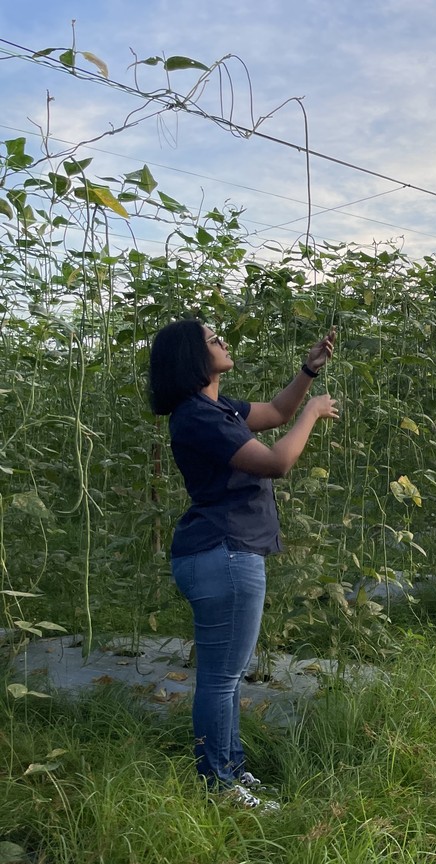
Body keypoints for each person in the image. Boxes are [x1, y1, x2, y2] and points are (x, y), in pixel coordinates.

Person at [148, 321, 339, 811]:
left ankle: (230, 769)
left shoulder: (217, 408)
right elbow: (277, 461)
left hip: (224, 554)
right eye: (213, 339)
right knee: (220, 679)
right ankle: (218, 785)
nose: (223, 343)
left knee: (226, 677)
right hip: (224, 554)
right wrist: (315, 413)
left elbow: (276, 412)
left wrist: (308, 372)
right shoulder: (198, 418)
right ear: (194, 356)